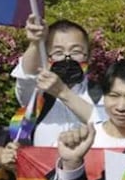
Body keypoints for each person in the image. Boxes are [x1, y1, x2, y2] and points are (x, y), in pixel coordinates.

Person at [13, 16, 102, 146]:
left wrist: (63, 92)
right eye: (58, 52)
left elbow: (107, 123)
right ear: (45, 57)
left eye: (76, 51)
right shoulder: (37, 95)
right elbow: (27, 74)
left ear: (88, 56)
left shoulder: (102, 95)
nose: (67, 58)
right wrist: (35, 43)